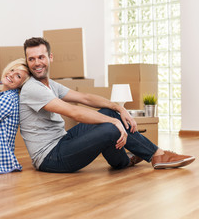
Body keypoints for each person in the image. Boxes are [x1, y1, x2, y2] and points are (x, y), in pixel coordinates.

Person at [19, 37, 195, 173]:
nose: (36, 63)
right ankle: (156, 156)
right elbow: (74, 112)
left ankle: (131, 159)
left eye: (41, 57)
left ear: (50, 57)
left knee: (109, 114)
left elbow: (85, 98)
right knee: (111, 126)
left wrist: (118, 108)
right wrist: (115, 123)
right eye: (31, 59)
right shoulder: (32, 88)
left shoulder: (50, 84)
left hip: (62, 141)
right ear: (27, 61)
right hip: (50, 157)